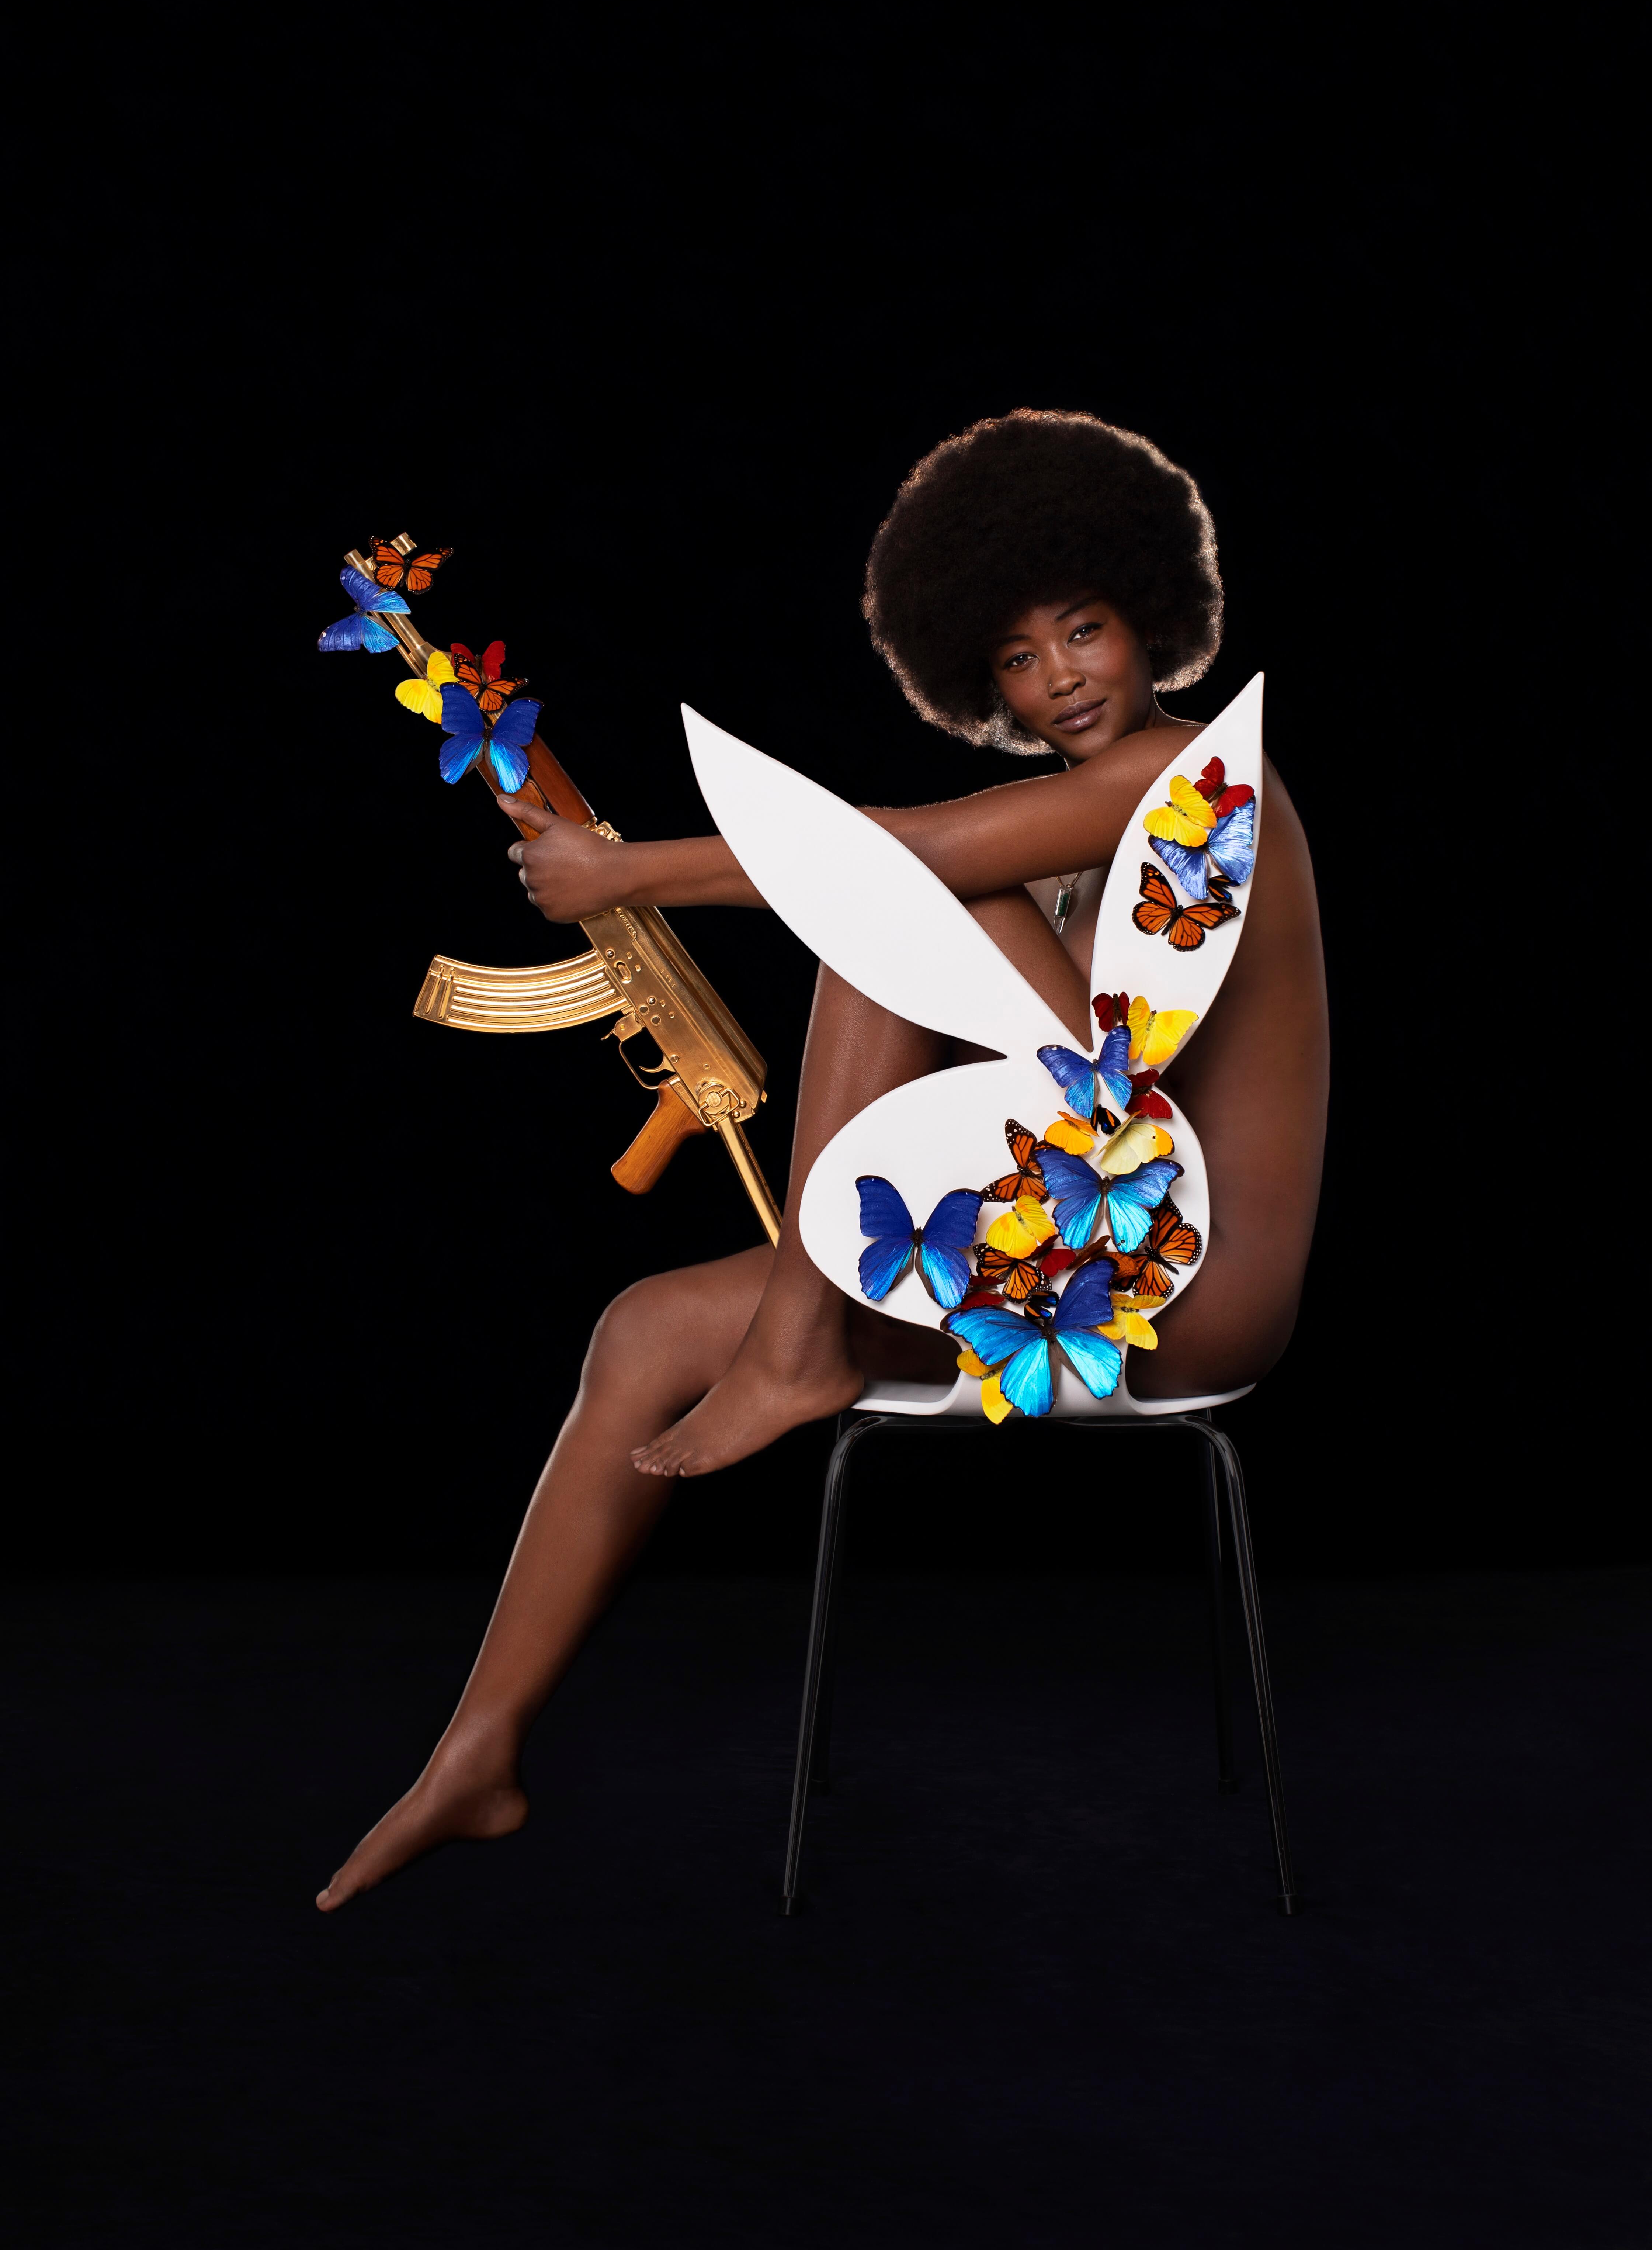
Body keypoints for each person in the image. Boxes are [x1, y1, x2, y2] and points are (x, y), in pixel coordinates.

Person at [316, 409, 1328, 1912]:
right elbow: (1009, 1041)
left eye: (1086, 630)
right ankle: (478, 1751)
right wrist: (591, 853)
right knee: (644, 1327)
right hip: (1082, 1242)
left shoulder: (1189, 783)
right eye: (1015, 659)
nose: (1059, 678)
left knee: (893, 896)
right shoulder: (1066, 858)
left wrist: (633, 872)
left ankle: (798, 1340)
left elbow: (905, 856)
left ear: (1154, 618)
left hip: (1197, 1282)